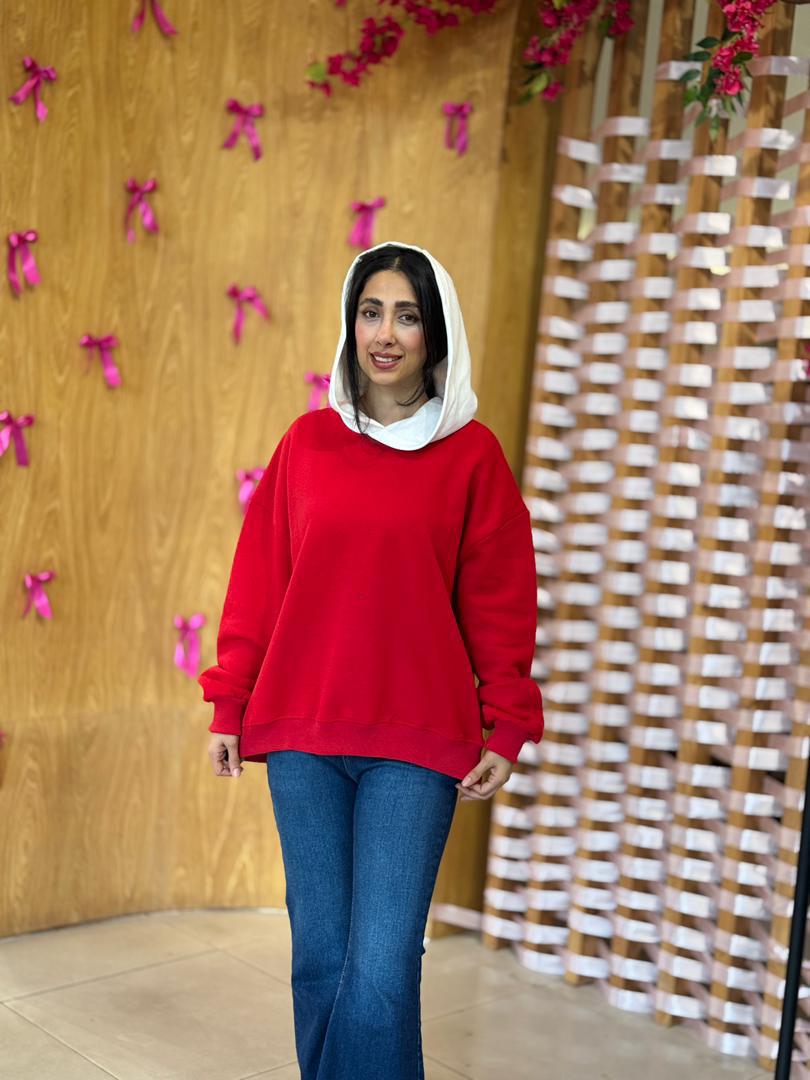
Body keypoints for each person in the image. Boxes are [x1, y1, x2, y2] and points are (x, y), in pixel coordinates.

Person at [198, 241, 544, 1080]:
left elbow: (500, 604)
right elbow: (259, 585)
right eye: (371, 312)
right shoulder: (307, 445)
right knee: (320, 959)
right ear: (351, 324)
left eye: (407, 316)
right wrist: (229, 703)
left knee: (382, 969)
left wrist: (507, 723)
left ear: (436, 333)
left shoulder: (472, 457)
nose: (385, 334)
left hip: (416, 745)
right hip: (305, 736)